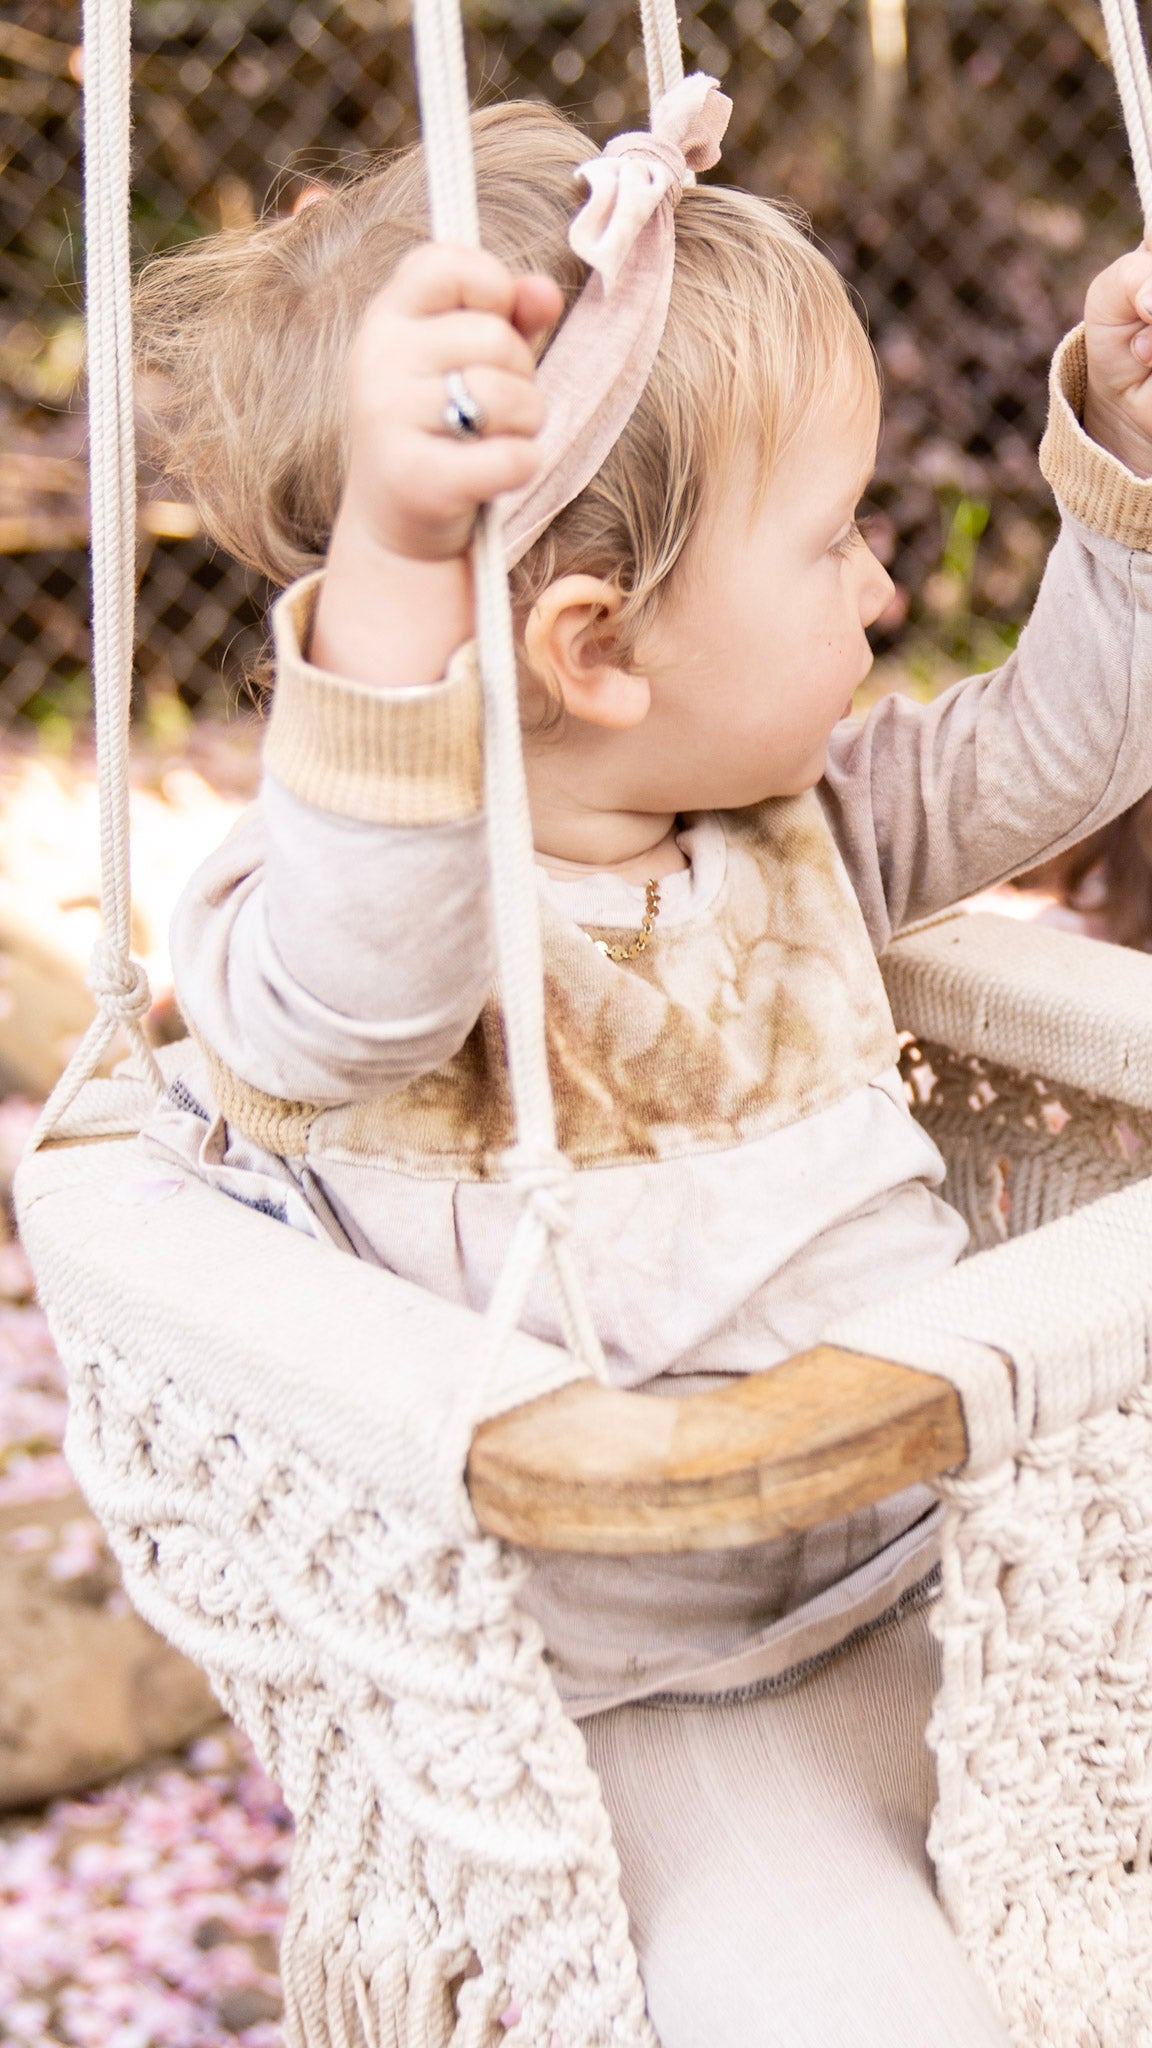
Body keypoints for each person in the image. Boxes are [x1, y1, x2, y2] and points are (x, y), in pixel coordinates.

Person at [135, 76, 1152, 2046]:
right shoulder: (349, 943)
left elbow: (1059, 749)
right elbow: (371, 935)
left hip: (981, 1588)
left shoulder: (803, 827)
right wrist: (404, 585)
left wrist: (1118, 470)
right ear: (594, 649)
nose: (884, 586)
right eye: (837, 539)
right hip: (668, 1718)